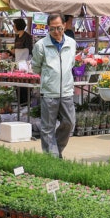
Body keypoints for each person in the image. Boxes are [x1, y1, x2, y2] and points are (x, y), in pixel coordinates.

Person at [31, 13, 77, 157]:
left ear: (64, 26)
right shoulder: (40, 45)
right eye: (52, 29)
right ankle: (52, 157)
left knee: (69, 123)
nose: (56, 32)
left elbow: (72, 64)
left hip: (67, 91)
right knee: (48, 127)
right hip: (49, 91)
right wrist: (49, 78)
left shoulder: (71, 43)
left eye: (59, 28)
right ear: (48, 28)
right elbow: (36, 67)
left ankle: (55, 151)